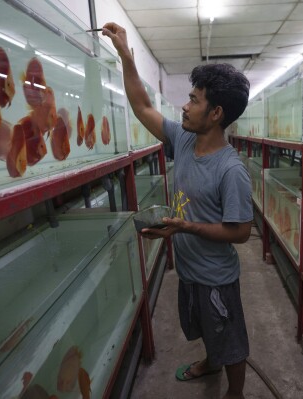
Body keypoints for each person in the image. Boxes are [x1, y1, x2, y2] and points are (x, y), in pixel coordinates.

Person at [102, 22, 253, 399]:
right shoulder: (184, 139)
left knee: (230, 341)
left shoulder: (230, 170)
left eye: (194, 99)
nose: (184, 106)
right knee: (203, 326)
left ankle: (234, 392)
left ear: (216, 112)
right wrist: (125, 55)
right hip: (189, 270)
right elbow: (142, 105)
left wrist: (185, 227)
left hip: (216, 276)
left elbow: (241, 233)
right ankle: (209, 361)